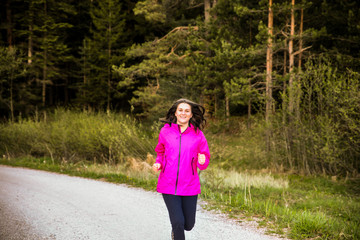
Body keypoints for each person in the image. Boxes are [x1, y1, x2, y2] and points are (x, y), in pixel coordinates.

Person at [152, 98, 210, 240]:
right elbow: (160, 152)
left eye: (187, 111)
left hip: (190, 185)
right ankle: (177, 233)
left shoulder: (198, 134)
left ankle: (176, 232)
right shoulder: (165, 131)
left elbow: (204, 158)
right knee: (178, 222)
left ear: (191, 115)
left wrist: (202, 161)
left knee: (188, 224)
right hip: (168, 183)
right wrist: (158, 163)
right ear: (175, 113)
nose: (183, 113)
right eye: (180, 110)